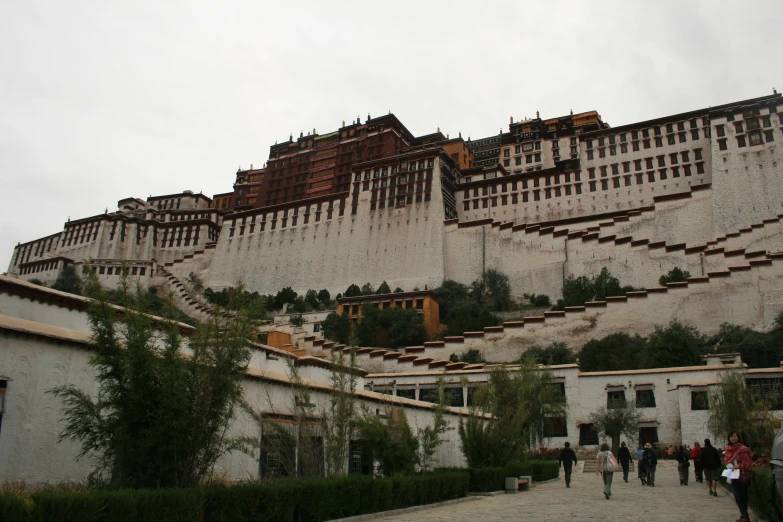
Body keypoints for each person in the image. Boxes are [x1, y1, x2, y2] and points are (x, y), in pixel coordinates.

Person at [725, 431, 753, 522]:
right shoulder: (728, 449)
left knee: (742, 496)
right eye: (731, 436)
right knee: (737, 496)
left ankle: (745, 517)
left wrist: (739, 466)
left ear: (738, 438)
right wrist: (730, 465)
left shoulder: (743, 449)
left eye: (735, 436)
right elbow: (727, 461)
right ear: (729, 438)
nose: (733, 438)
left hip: (742, 475)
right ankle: (744, 515)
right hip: (732, 474)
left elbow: (747, 463)